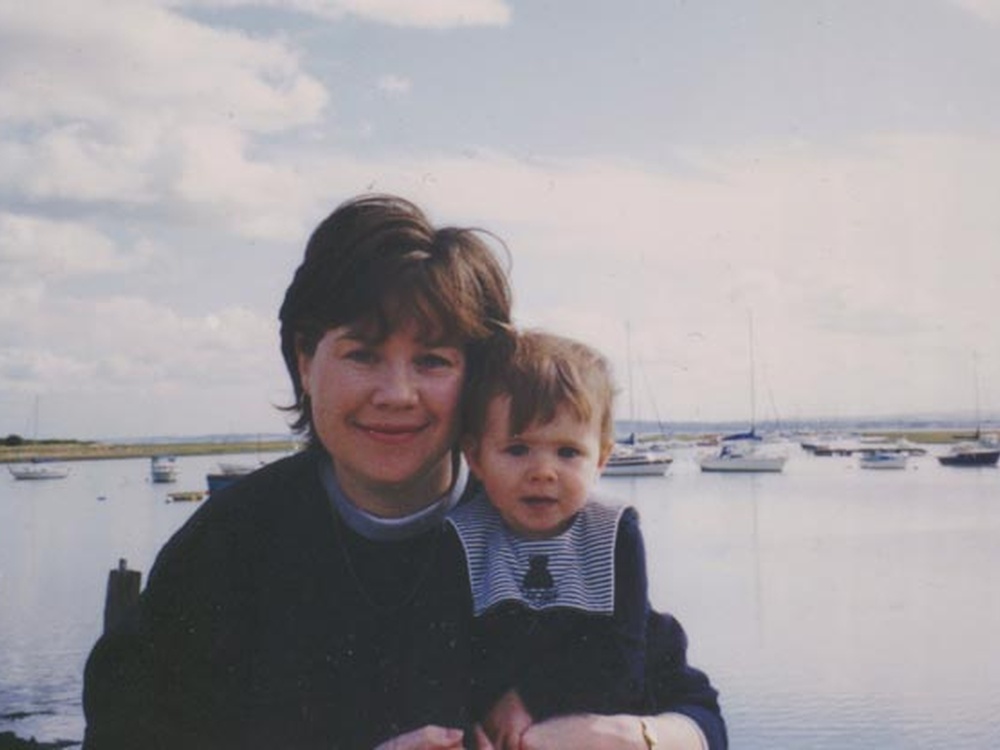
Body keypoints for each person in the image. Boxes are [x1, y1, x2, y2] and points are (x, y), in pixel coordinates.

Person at [81, 194, 727, 750]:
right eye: (362, 354)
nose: (397, 393)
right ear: (305, 361)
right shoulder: (229, 542)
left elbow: (693, 712)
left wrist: (642, 737)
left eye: (433, 361)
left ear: (477, 375)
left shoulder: (544, 526)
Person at [450, 330, 651, 748]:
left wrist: (531, 700)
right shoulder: (461, 537)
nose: (543, 471)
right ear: (475, 458)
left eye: (567, 452)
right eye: (518, 449)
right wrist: (481, 713)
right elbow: (441, 654)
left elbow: (624, 654)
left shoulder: (614, 532)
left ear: (601, 459)